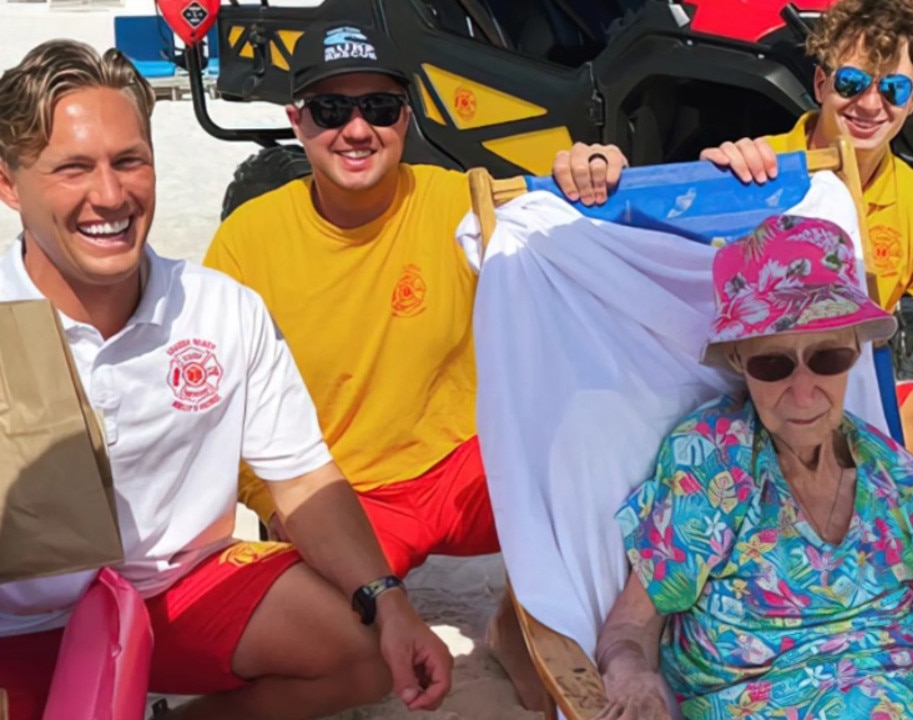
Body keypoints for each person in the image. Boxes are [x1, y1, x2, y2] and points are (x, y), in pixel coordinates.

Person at [0, 40, 452, 720]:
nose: (110, 195)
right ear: (9, 183)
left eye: (130, 161)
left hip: (177, 589)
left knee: (364, 652)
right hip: (20, 623)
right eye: (73, 170)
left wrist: (387, 600)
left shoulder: (220, 308)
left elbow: (301, 478)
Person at [202, 21, 617, 711]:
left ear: (407, 115)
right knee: (345, 650)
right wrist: (279, 510)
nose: (357, 128)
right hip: (340, 495)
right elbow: (224, 415)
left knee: (600, 466)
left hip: (464, 469)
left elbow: (581, 245)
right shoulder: (248, 240)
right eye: (332, 110)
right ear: (295, 119)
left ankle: (520, 626)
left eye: (380, 107)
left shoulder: (463, 201)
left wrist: (595, 175)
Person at [559, 0, 913, 514]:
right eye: (853, 82)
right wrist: (597, 175)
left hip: (836, 401)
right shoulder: (753, 169)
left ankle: (882, 555)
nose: (871, 104)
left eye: (893, 88)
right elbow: (648, 255)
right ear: (821, 84)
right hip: (742, 401)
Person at [593, 214, 913, 720]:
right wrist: (631, 675)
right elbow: (629, 630)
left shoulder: (900, 482)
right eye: (773, 363)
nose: (804, 389)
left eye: (827, 357)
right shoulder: (711, 463)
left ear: (855, 351)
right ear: (738, 361)